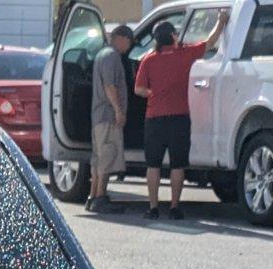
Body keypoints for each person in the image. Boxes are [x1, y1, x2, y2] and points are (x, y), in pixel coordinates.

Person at [133, 14, 225, 220]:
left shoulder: (149, 60)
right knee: (177, 165)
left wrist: (152, 93)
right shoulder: (185, 54)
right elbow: (210, 42)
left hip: (154, 117)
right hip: (179, 117)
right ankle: (175, 207)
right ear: (173, 36)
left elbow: (138, 89)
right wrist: (221, 21)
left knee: (153, 164)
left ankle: (153, 207)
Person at [87, 24, 134, 215]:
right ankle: (100, 197)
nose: (128, 48)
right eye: (129, 43)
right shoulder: (112, 56)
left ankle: (93, 197)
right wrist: (119, 111)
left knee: (98, 159)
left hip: (98, 116)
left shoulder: (101, 54)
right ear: (122, 38)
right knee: (107, 155)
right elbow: (109, 86)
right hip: (107, 115)